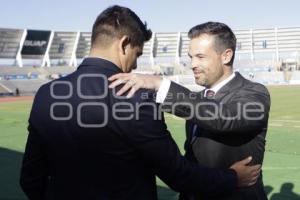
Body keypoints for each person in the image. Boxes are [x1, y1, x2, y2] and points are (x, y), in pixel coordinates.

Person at [20, 8, 261, 200]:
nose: (135, 66)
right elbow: (178, 174)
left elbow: (30, 178)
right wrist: (231, 178)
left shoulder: (46, 94)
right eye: (137, 54)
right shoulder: (135, 96)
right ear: (124, 44)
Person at [109, 22, 270, 200]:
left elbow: (225, 117)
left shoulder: (255, 93)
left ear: (226, 56)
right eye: (190, 57)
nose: (192, 64)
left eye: (200, 57)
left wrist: (160, 84)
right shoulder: (198, 99)